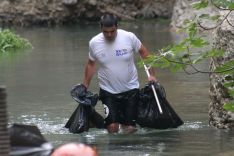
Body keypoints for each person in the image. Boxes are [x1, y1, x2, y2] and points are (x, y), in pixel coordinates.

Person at [82, 13, 157, 133]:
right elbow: (91, 64)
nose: (109, 34)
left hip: (131, 89)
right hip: (108, 91)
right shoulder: (94, 43)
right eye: (106, 32)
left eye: (112, 31)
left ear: (117, 26)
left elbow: (145, 54)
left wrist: (152, 75)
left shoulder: (129, 37)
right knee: (112, 128)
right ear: (101, 28)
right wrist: (84, 85)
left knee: (130, 129)